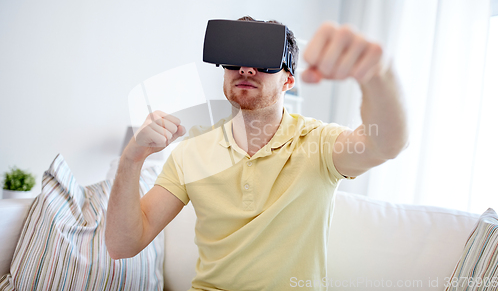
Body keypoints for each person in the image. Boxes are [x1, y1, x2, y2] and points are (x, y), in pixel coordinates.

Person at [105, 16, 409, 291]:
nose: (247, 69)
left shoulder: (318, 143)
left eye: (263, 61)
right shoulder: (192, 151)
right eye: (236, 59)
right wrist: (131, 159)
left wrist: (378, 75)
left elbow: (386, 144)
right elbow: (122, 246)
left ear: (288, 80)